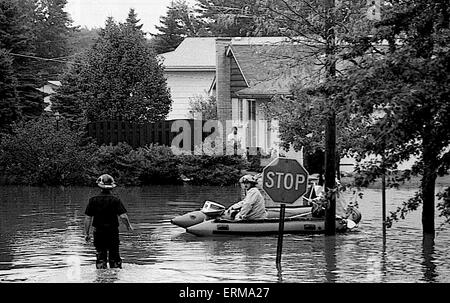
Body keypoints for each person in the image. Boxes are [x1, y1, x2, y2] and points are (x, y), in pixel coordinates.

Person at [84, 174, 133, 269]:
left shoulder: (93, 200)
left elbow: (88, 218)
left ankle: (101, 276)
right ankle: (114, 276)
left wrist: (86, 234)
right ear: (112, 187)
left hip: (98, 232)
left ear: (99, 186)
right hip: (112, 232)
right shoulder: (116, 200)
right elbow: (123, 216)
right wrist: (128, 225)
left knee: (100, 257)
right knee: (114, 257)